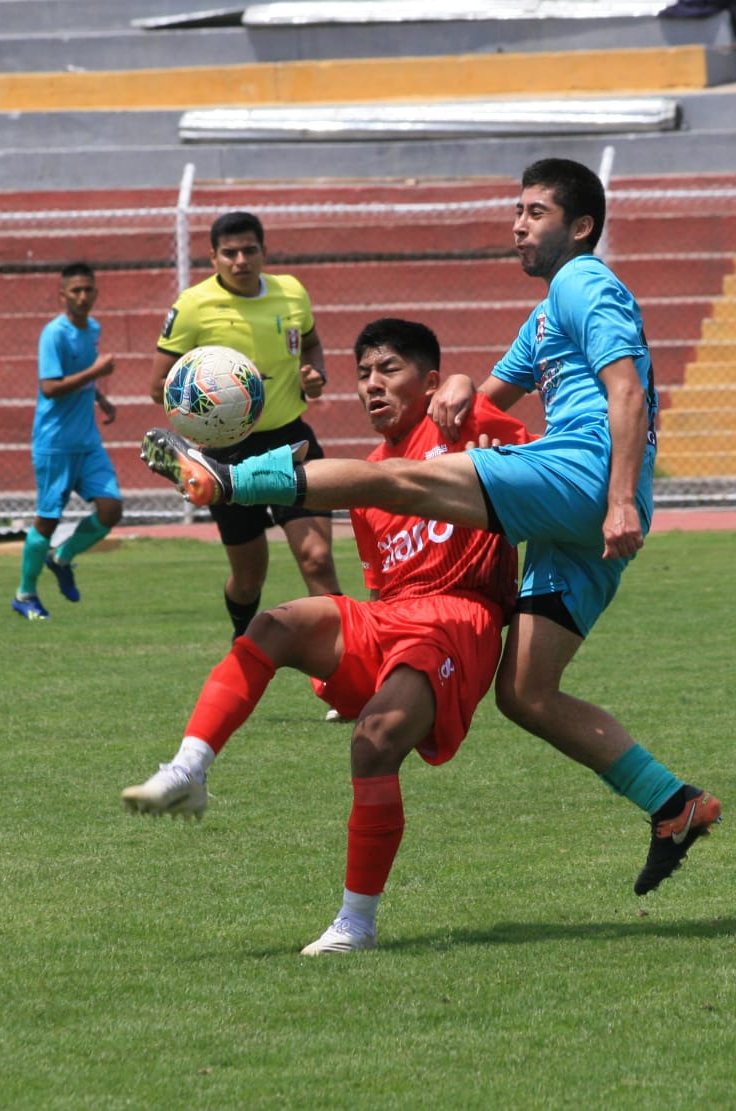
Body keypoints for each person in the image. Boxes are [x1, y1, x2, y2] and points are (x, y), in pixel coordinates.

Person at [140, 159, 722, 896]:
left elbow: (626, 389)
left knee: (399, 481)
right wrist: (453, 382)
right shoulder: (545, 316)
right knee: (527, 693)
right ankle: (675, 804)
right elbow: (477, 397)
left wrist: (619, 500)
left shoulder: (583, 281)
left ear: (579, 227)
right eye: (516, 210)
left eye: (535, 212)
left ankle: (226, 478)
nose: (517, 223)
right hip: (577, 518)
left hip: (584, 474)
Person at [124, 318, 530, 954]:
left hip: (459, 616)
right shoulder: (366, 475)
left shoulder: (463, 422)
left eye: (388, 370)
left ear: (427, 382)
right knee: (277, 623)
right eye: (363, 373)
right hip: (394, 616)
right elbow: (382, 592)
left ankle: (355, 924)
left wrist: (464, 384)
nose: (371, 384)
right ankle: (188, 770)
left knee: (373, 746)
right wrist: (348, 667)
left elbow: (539, 456)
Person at [150, 210, 341, 643]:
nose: (241, 260)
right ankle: (243, 643)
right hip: (226, 457)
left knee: (316, 558)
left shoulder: (291, 292)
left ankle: (344, 670)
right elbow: (157, 385)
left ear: (264, 251)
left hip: (290, 439)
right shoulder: (193, 307)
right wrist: (207, 396)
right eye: (229, 252)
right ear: (213, 257)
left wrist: (314, 374)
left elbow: (310, 344)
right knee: (249, 576)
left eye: (249, 250)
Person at [12, 261, 122, 620]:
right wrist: (96, 373)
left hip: (87, 441)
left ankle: (61, 557)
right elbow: (51, 387)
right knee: (47, 520)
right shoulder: (54, 334)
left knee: (111, 509)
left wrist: (100, 397)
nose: (83, 296)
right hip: (55, 443)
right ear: (62, 295)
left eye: (88, 289)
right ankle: (25, 594)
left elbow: (82, 378)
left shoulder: (92, 328)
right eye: (75, 290)